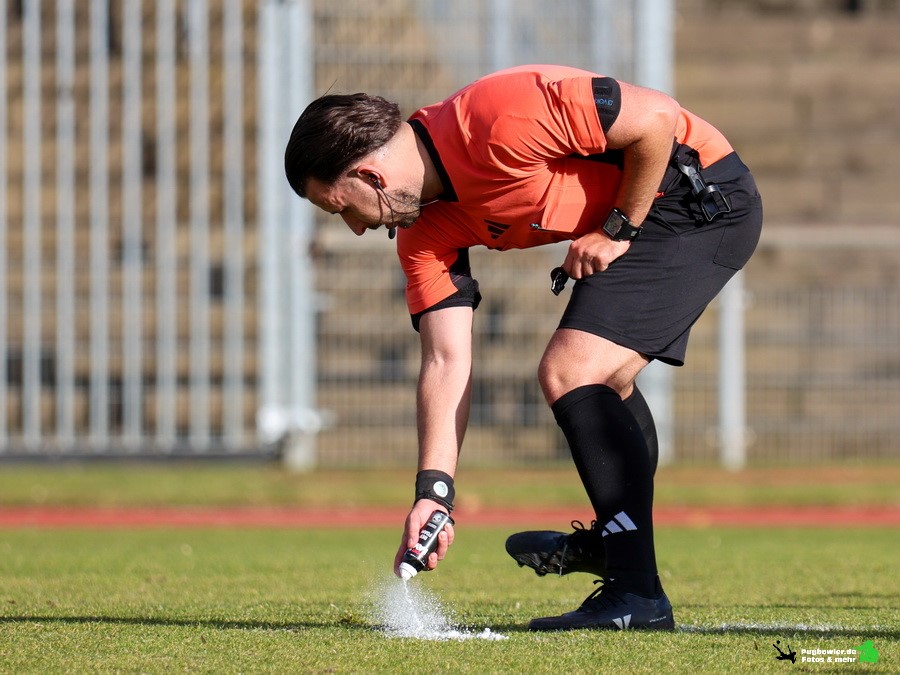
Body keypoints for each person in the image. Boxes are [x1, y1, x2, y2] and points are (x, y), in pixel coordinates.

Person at [284, 64, 762, 631]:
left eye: (341, 208)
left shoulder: (494, 116)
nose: (355, 228)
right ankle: (621, 553)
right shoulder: (422, 233)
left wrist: (617, 229)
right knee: (602, 381)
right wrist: (435, 493)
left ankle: (635, 591)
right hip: (646, 220)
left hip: (699, 200)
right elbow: (445, 360)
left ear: (370, 175)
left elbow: (656, 117)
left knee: (570, 371)